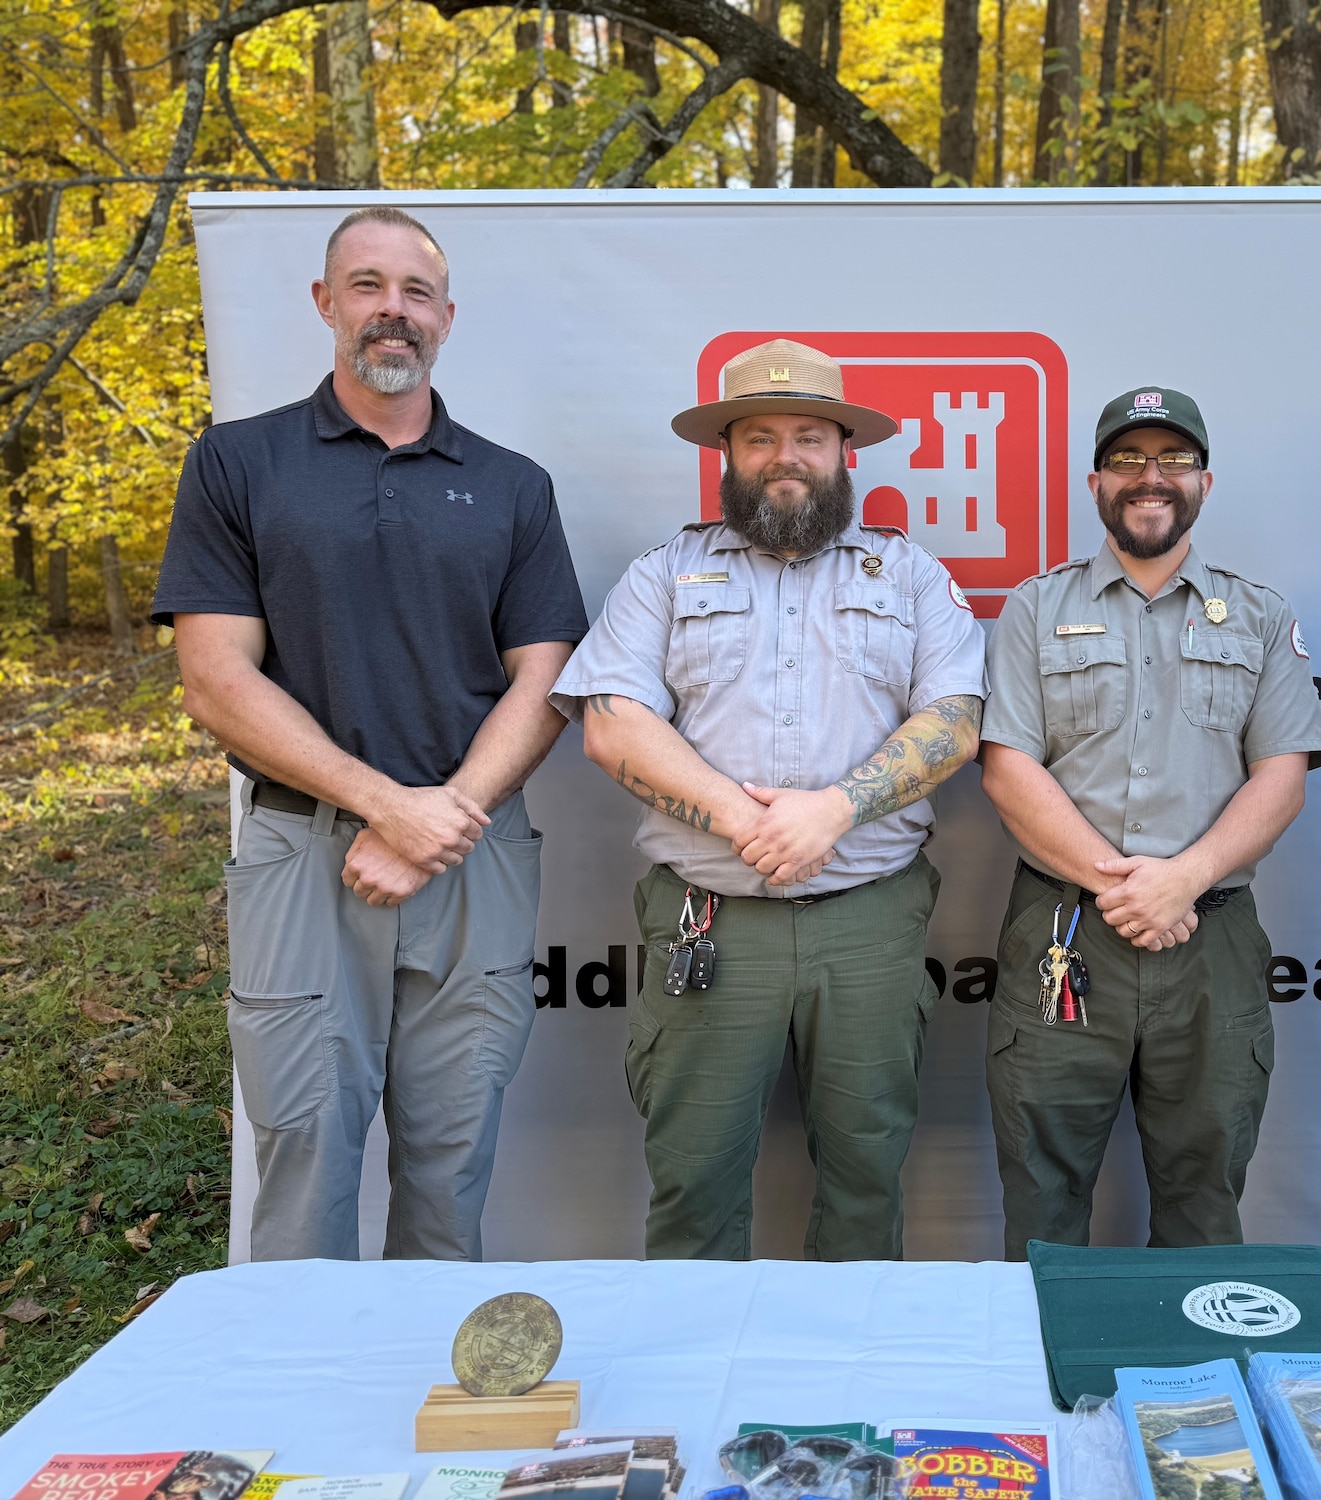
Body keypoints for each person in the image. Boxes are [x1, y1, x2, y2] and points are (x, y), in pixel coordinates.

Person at [154, 206, 588, 1260]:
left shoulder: (510, 483)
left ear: (446, 317)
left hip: (471, 851)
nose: (392, 310)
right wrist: (386, 807)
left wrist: (446, 816)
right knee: (303, 1152)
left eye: (414, 291)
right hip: (304, 855)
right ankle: (300, 1406)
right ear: (323, 302)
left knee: (452, 1161)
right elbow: (215, 681)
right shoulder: (239, 464)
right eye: (366, 285)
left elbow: (550, 674)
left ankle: (431, 1414)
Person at [550, 338, 987, 1260]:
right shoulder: (664, 575)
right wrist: (750, 821)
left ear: (844, 453)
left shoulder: (910, 577)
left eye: (808, 436)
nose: (785, 456)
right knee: (694, 1180)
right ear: (726, 456)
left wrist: (831, 811)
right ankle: (700, 1390)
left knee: (867, 1178)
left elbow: (953, 723)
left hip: (867, 920)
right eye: (759, 438)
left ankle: (849, 1392)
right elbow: (612, 727)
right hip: (711, 921)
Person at [978, 387, 1321, 1256]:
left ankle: (1191, 1388)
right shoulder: (1034, 607)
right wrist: (1124, 885)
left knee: (1203, 1194)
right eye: (1131, 460)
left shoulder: (1259, 614)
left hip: (1207, 938)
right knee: (1042, 1193)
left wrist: (1182, 880)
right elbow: (1006, 766)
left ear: (1204, 483)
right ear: (1096, 481)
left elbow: (1282, 776)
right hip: (1066, 931)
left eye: (1173, 460)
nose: (1152, 478)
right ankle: (1043, 1387)